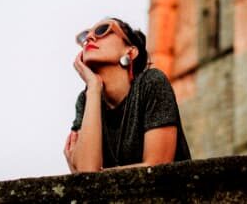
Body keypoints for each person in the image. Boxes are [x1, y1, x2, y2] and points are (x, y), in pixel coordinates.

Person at [63, 17, 191, 173]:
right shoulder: (86, 99)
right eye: (85, 36)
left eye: (102, 30)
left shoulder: (151, 83)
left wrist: (97, 173)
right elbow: (87, 174)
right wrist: (94, 88)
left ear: (130, 51)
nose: (89, 37)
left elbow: (158, 167)